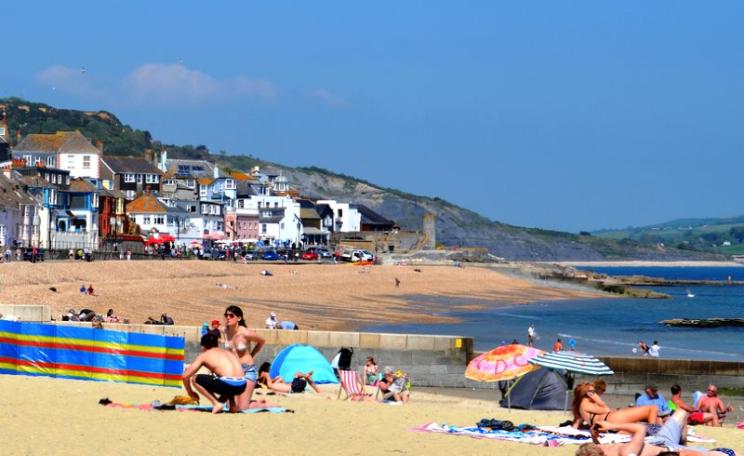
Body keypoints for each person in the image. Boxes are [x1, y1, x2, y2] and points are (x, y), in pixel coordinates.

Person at [574, 410, 737, 456]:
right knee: (725, 454)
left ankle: (682, 443)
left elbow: (598, 450)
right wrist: (611, 425)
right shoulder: (625, 452)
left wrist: (595, 436)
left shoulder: (602, 450)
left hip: (659, 442)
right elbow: (640, 429)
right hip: (667, 449)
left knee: (681, 413)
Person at [182, 333, 246, 414]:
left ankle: (216, 403)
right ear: (217, 344)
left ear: (203, 347)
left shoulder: (205, 355)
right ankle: (233, 406)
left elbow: (185, 376)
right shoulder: (228, 353)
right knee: (227, 378)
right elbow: (232, 376)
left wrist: (190, 392)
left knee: (195, 379)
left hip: (228, 384)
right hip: (242, 385)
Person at [221, 305, 265, 410]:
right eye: (226, 315)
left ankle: (262, 403)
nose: (228, 318)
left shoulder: (245, 333)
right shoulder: (225, 331)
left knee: (242, 408)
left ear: (239, 318)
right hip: (233, 372)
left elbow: (262, 341)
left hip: (247, 370)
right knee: (231, 407)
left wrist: (252, 355)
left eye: (231, 315)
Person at [572, 382, 661, 429]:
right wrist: (599, 401)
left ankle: (652, 429)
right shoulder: (585, 403)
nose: (595, 393)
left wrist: (583, 426)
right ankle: (652, 432)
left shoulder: (582, 405)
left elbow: (576, 424)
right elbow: (606, 410)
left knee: (657, 419)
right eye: (593, 392)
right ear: (588, 394)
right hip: (611, 419)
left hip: (610, 420)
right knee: (652, 408)